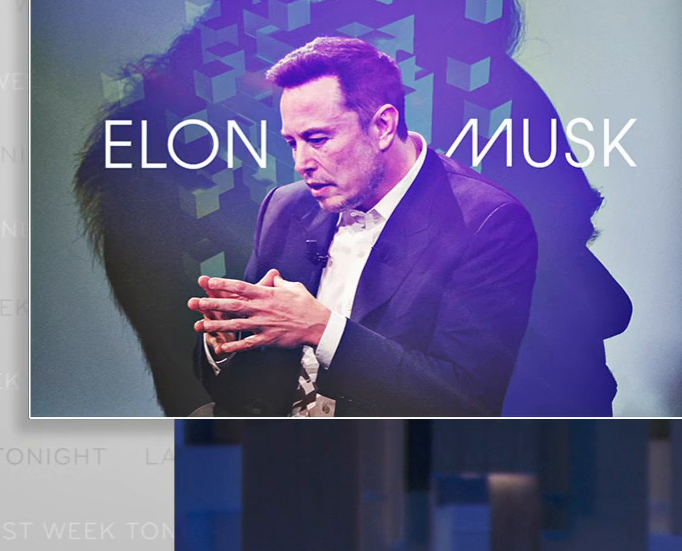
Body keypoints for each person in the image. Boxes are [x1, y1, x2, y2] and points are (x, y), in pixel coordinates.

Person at [188, 35, 538, 416]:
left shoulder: (486, 223)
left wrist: (322, 330)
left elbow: (465, 403)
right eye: (292, 143)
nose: (301, 163)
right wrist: (227, 342)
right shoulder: (284, 207)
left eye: (317, 139)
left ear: (383, 126)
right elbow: (243, 390)